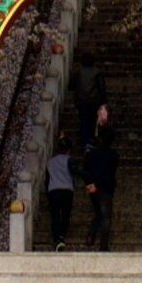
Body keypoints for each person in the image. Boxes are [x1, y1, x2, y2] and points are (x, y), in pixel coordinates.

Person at [43, 86, 86, 250]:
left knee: (55, 214)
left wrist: (47, 190)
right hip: (67, 190)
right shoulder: (69, 160)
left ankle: (56, 238)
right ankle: (62, 235)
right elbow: (75, 171)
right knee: (65, 214)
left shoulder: (51, 161)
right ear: (68, 149)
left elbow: (47, 178)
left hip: (53, 190)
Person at [79, 86, 121, 247]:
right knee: (105, 215)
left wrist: (90, 183)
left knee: (98, 212)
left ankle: (91, 235)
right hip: (106, 187)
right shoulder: (113, 155)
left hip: (93, 184)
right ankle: (102, 244)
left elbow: (86, 169)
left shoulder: (91, 154)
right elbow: (111, 172)